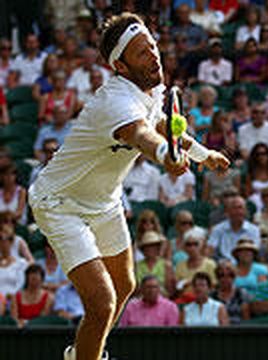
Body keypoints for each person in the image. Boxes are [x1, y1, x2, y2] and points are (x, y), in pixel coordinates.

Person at [28, 13, 229, 360]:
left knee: (125, 285)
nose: (153, 56)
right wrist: (166, 153)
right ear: (120, 66)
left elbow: (162, 121)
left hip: (104, 201)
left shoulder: (151, 86)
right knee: (102, 302)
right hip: (59, 202)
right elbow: (141, 134)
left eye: (152, 46)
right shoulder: (116, 102)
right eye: (141, 53)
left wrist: (200, 153)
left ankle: (82, 354)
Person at [207, 196, 260, 261]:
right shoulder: (218, 229)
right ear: (228, 211)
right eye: (234, 208)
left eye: (240, 208)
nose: (238, 211)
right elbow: (210, 249)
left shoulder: (254, 230)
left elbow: (254, 252)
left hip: (245, 263)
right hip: (224, 265)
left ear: (245, 211)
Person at [175, 227, 216, 298]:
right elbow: (178, 289)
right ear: (184, 247)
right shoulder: (180, 265)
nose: (192, 247)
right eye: (188, 244)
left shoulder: (210, 264)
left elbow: (214, 286)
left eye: (195, 244)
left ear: (201, 245)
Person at [211, 259, 252, 324]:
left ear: (234, 277)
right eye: (221, 275)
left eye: (230, 275)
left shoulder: (241, 293)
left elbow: (246, 318)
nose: (226, 278)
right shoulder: (212, 296)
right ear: (217, 277)